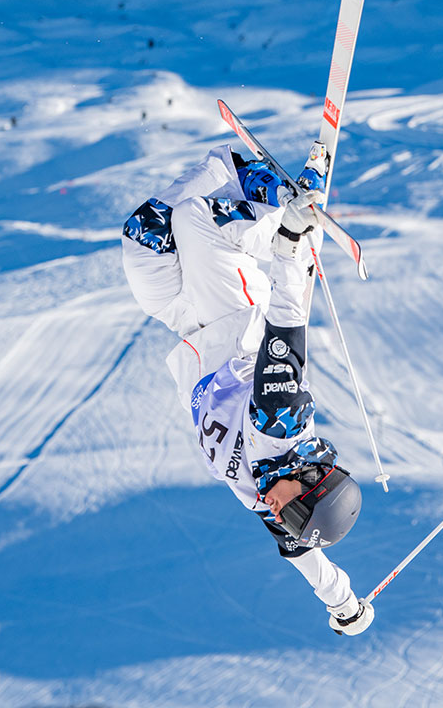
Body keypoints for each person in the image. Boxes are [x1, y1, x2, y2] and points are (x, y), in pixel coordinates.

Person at [119, 143, 375, 636]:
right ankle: (270, 201)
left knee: (143, 235)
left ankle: (253, 197)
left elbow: (305, 557)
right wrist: (293, 247)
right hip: (234, 315)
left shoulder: (271, 498)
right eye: (296, 512)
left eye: (292, 523)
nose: (283, 517)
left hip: (190, 331)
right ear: (311, 480)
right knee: (195, 218)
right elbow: (287, 325)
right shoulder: (280, 424)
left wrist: (344, 605)